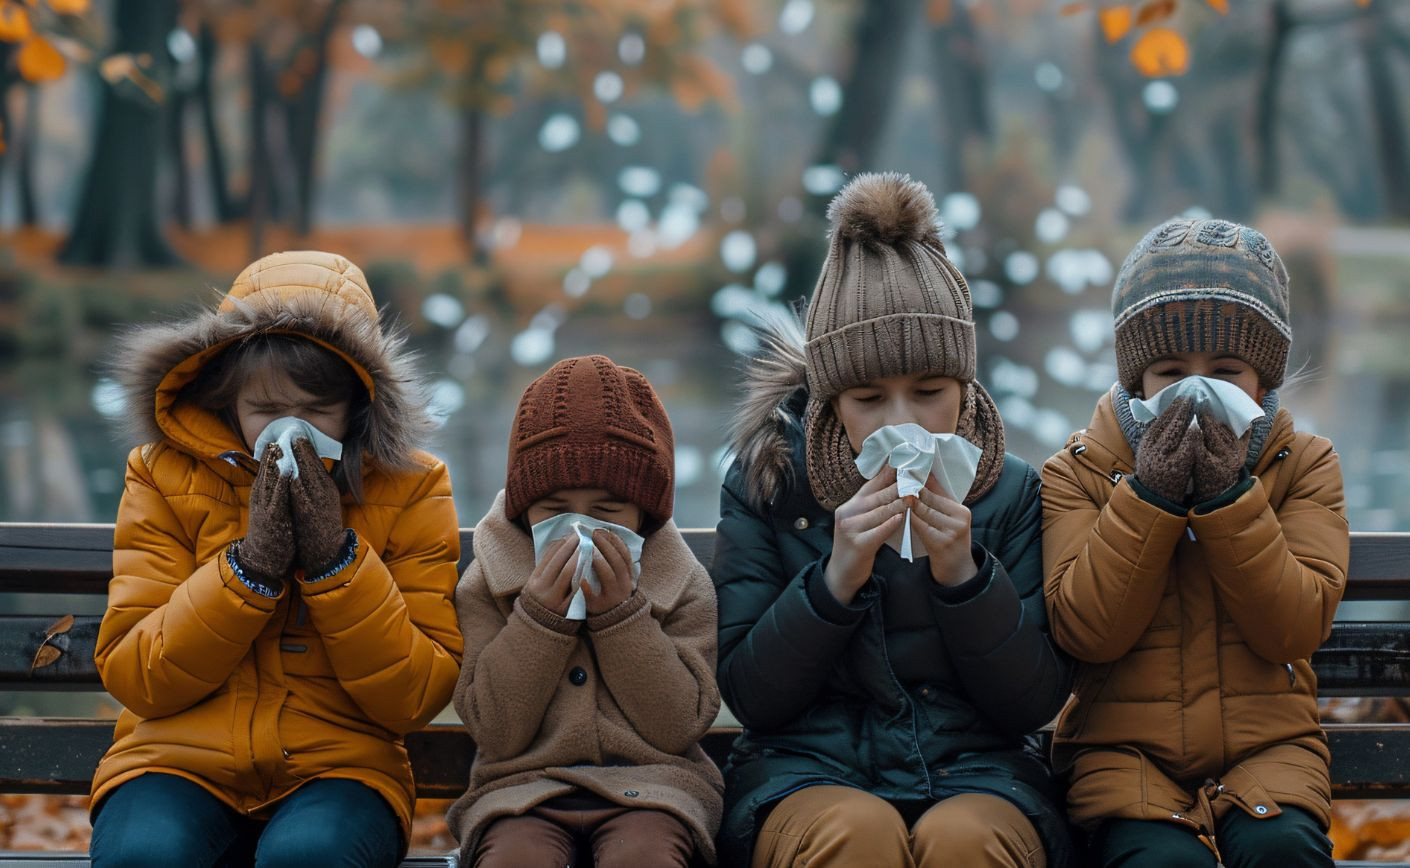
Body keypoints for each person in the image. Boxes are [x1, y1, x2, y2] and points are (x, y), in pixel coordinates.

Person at [712, 172, 1074, 868]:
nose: (902, 420)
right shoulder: (771, 486)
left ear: (965, 388)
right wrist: (834, 578)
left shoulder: (1011, 491)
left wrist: (964, 579)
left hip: (980, 774)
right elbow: (752, 697)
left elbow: (1031, 703)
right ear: (828, 402)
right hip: (804, 773)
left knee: (965, 843)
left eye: (929, 392)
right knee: (857, 836)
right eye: (869, 398)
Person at [89, 251, 462, 867]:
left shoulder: (411, 486)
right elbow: (135, 675)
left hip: (342, 765)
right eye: (265, 410)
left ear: (358, 403)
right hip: (175, 758)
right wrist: (247, 570)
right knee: (144, 856)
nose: (291, 432)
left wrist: (335, 562)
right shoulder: (160, 476)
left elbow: (414, 695)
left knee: (308, 858)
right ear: (227, 399)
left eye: (316, 412)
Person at [1042, 217, 1347, 868]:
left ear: (1263, 382)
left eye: (1226, 371)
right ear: (1137, 382)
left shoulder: (1306, 465)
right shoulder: (1078, 471)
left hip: (1270, 751)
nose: (1198, 389)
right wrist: (1148, 498)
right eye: (1172, 371)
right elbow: (1087, 632)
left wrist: (1227, 498)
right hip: (1124, 757)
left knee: (1282, 851)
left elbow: (1293, 628)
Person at [447, 355, 723, 867]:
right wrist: (536, 618)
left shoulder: (682, 582)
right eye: (554, 511)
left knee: (645, 857)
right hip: (519, 793)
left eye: (606, 511)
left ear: (643, 516)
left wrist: (623, 618)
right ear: (523, 509)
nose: (579, 528)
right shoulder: (488, 581)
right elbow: (495, 731)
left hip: (656, 791)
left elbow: (678, 726)